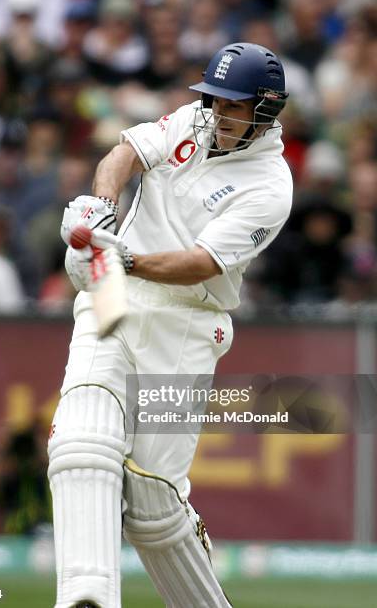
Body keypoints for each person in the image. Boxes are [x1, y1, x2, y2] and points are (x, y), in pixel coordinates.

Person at [47, 42, 293, 608]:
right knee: (83, 436)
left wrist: (123, 257)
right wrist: (98, 212)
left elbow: (200, 265)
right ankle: (87, 595)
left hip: (185, 323)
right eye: (212, 99)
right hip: (113, 290)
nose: (216, 111)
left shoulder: (270, 186)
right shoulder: (191, 120)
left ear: (265, 109)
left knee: (153, 502)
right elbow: (124, 154)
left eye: (231, 104)